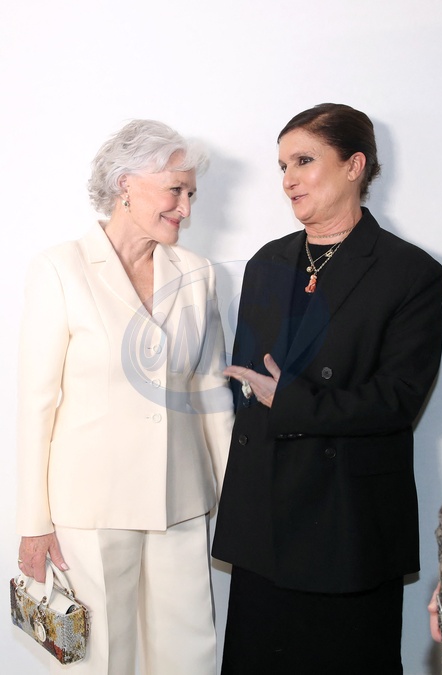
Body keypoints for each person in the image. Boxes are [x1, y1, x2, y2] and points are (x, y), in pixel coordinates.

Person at [212, 103, 442, 674]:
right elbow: (248, 383)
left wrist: (289, 401)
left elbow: (398, 400)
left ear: (354, 165)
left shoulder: (410, 272)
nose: (288, 179)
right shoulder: (267, 263)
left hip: (348, 526)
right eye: (282, 166)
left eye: (304, 161)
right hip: (264, 522)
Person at [16, 119, 234, 675]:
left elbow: (212, 394)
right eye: (175, 190)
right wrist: (34, 521)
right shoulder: (59, 268)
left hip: (181, 500)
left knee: (189, 654)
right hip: (90, 507)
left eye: (191, 194)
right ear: (125, 185)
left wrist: (236, 499)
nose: (186, 207)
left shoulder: (198, 273)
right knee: (100, 660)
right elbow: (36, 404)